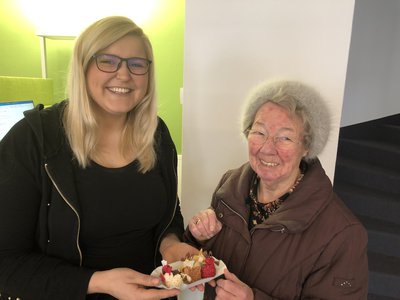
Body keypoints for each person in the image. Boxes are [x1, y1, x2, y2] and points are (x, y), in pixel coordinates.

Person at [0, 16, 197, 300]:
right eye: (108, 60)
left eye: (137, 64)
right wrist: (97, 282)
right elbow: (6, 263)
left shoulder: (156, 134)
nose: (124, 74)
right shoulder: (33, 140)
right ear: (82, 66)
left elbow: (168, 213)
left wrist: (170, 244)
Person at [184, 79, 369, 299]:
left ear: (307, 146)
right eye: (259, 133)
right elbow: (204, 263)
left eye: (285, 137)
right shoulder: (230, 186)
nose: (267, 149)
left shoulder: (343, 234)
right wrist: (200, 237)